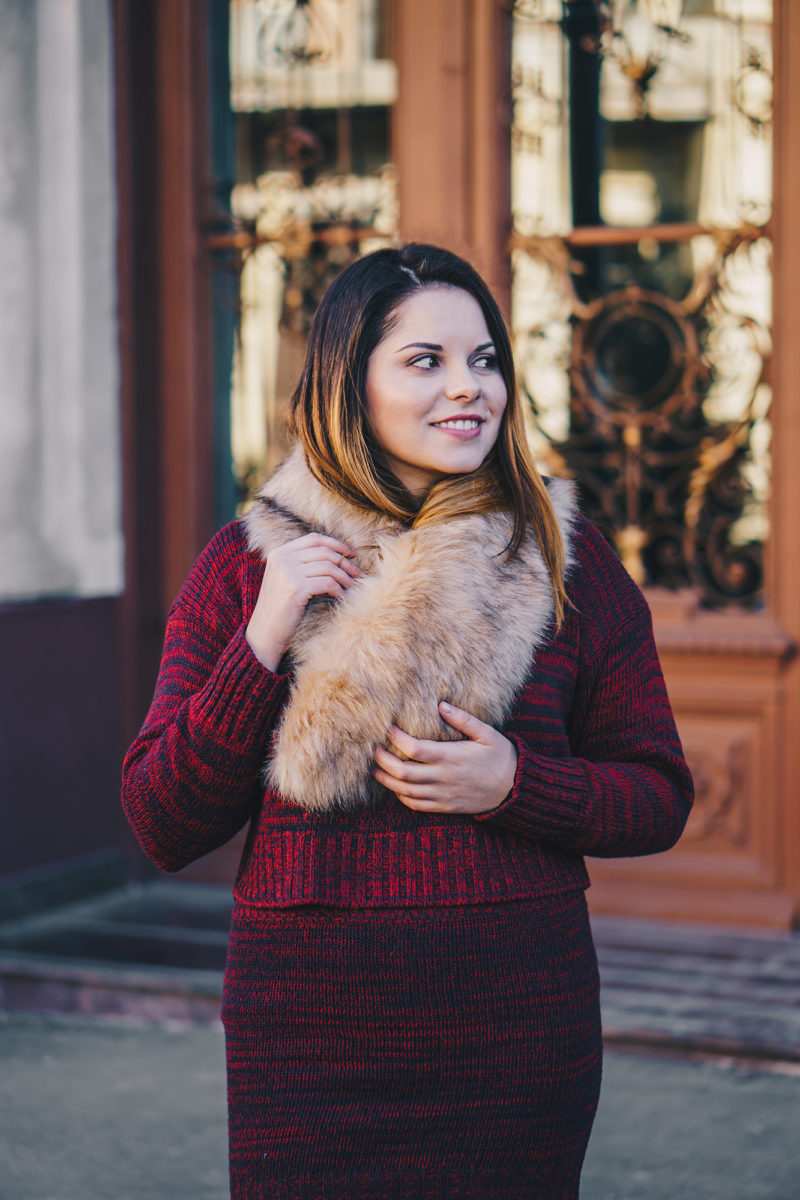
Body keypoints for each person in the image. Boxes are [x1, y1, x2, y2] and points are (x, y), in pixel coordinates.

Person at [122, 243, 693, 1199]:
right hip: (305, 1033)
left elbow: (659, 794)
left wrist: (518, 784)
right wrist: (263, 636)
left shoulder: (566, 563)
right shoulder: (249, 561)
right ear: (352, 384)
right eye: (424, 360)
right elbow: (162, 820)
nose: (467, 388)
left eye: (484, 359)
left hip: (514, 1028)